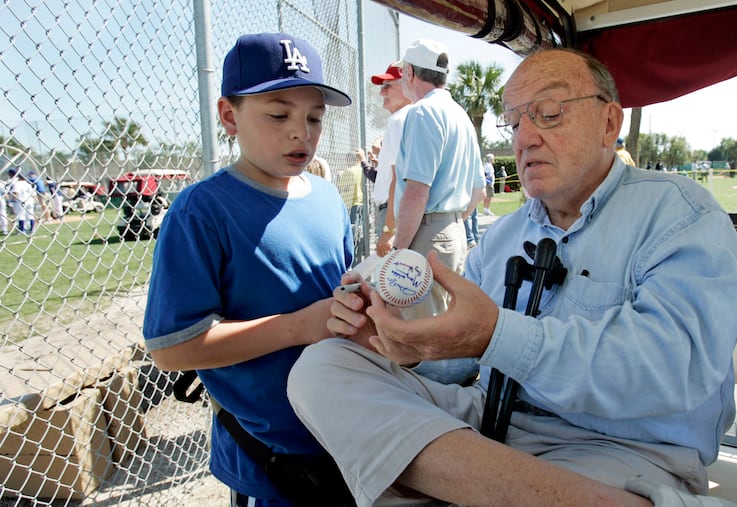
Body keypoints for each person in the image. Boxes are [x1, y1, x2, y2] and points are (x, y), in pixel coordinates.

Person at [287, 48, 737, 507]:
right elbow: (465, 364)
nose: (524, 137)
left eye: (548, 114)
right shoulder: (503, 235)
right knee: (323, 367)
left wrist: (496, 334)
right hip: (491, 423)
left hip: (624, 451)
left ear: (610, 123)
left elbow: (674, 371)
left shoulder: (680, 215)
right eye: (514, 122)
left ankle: (448, 486)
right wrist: (402, 346)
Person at [142, 32, 353, 507]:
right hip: (272, 456)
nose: (301, 131)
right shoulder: (202, 211)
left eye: (314, 117)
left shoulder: (327, 197)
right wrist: (300, 326)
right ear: (229, 116)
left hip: (345, 430)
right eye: (278, 114)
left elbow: (334, 298)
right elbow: (173, 350)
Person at [392, 39, 485, 310]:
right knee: (444, 328)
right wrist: (449, 221)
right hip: (454, 232)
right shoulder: (460, 114)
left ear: (410, 72)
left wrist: (399, 250)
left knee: (418, 334)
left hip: (426, 233)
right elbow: (479, 190)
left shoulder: (422, 112)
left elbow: (417, 192)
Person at [364, 61, 412, 257]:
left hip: (392, 213)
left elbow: (397, 178)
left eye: (388, 86)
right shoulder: (411, 117)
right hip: (397, 211)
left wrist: (389, 229)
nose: (382, 92)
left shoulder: (400, 120)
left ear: (407, 86)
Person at [6, 168, 36, 234]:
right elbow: (33, 194)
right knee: (30, 215)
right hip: (30, 201)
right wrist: (35, 200)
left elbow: (16, 192)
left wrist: (13, 200)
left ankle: (22, 230)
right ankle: (32, 229)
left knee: (20, 216)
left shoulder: (17, 184)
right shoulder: (28, 183)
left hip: (21, 201)